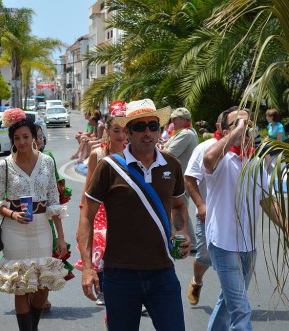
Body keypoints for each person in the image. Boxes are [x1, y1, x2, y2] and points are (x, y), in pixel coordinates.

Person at [77, 98, 191, 330]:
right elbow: (87, 216)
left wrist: (182, 231)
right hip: (120, 275)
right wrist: (88, 268)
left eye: (153, 126)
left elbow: (178, 205)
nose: (147, 132)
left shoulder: (172, 165)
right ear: (128, 131)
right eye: (139, 127)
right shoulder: (109, 167)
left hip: (162, 273)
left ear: (160, 130)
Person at [202, 108, 289, 330]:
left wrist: (287, 227)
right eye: (238, 124)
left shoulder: (255, 162)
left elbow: (267, 200)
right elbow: (209, 159)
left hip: (248, 246)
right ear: (224, 131)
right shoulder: (221, 159)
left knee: (227, 303)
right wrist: (238, 129)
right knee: (241, 310)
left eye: (249, 124)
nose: (245, 128)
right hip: (223, 244)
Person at [0, 108, 69, 331]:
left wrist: (60, 238)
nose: (21, 142)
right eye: (16, 138)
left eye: (25, 137)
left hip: (42, 226)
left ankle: (33, 326)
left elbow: (54, 201)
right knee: (21, 285)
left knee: (43, 286)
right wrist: (12, 214)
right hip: (14, 230)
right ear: (12, 140)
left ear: (35, 137)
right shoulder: (4, 165)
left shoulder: (47, 162)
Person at [74, 103, 128, 307]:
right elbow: (88, 190)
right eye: (116, 131)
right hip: (100, 210)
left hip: (124, 209)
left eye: (125, 131)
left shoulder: (134, 154)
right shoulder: (98, 154)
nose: (121, 136)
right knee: (101, 246)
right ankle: (103, 289)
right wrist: (82, 222)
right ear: (107, 131)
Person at [184, 109, 231, 306]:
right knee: (205, 256)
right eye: (233, 124)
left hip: (231, 217)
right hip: (207, 214)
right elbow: (190, 178)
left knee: (232, 260)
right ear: (220, 127)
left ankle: (230, 298)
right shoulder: (206, 148)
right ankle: (197, 280)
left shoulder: (246, 150)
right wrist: (201, 206)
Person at [34, 124, 75, 312]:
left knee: (47, 256)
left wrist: (61, 234)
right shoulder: (11, 162)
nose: (39, 141)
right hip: (22, 218)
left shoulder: (48, 158)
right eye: (37, 137)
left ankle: (42, 296)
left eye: (41, 137)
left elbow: (56, 193)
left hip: (46, 216)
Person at [160, 107, 198, 251]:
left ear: (183, 120)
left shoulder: (186, 134)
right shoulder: (183, 133)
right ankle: (172, 238)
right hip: (177, 177)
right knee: (173, 208)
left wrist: (155, 150)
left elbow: (169, 152)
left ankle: (191, 243)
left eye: (175, 119)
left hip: (180, 178)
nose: (173, 121)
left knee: (179, 209)